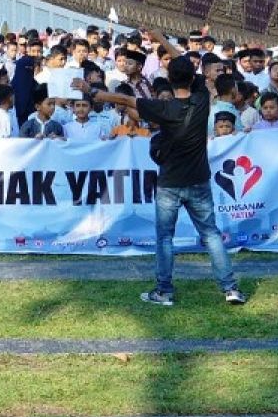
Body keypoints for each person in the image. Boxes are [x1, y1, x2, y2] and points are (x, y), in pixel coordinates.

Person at [78, 32, 246, 306]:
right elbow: (183, 61)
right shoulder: (202, 98)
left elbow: (127, 101)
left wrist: (92, 92)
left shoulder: (162, 108)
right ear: (194, 77)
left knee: (165, 238)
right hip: (199, 181)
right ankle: (230, 288)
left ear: (169, 80)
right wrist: (158, 37)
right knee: (211, 234)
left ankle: (164, 291)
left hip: (170, 183)